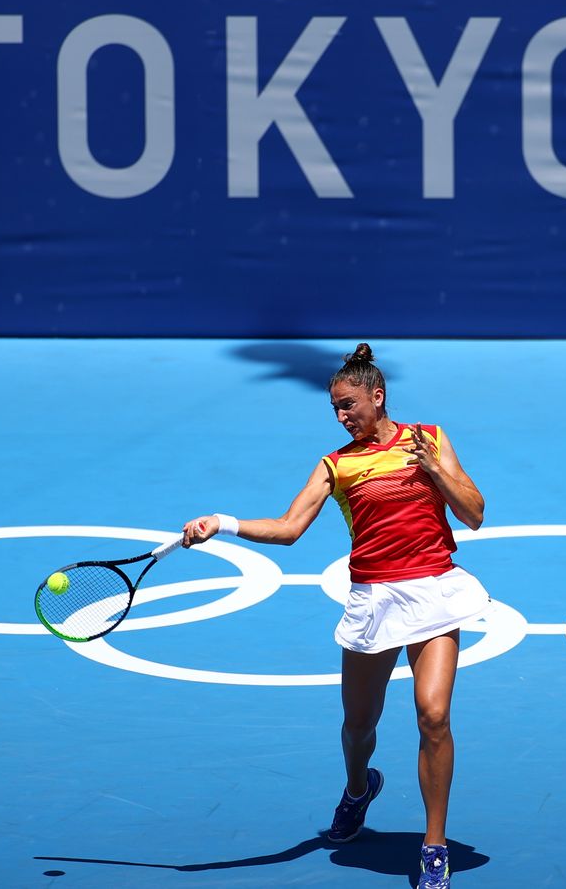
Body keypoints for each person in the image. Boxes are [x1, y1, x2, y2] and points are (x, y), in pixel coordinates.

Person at [181, 343, 487, 889]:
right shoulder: (336, 465)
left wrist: (434, 469)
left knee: (433, 716)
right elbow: (288, 527)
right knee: (358, 728)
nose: (344, 417)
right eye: (336, 411)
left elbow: (475, 514)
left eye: (350, 405)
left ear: (378, 394)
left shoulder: (431, 438)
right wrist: (221, 523)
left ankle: (433, 847)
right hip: (373, 602)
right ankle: (357, 787)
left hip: (434, 590)